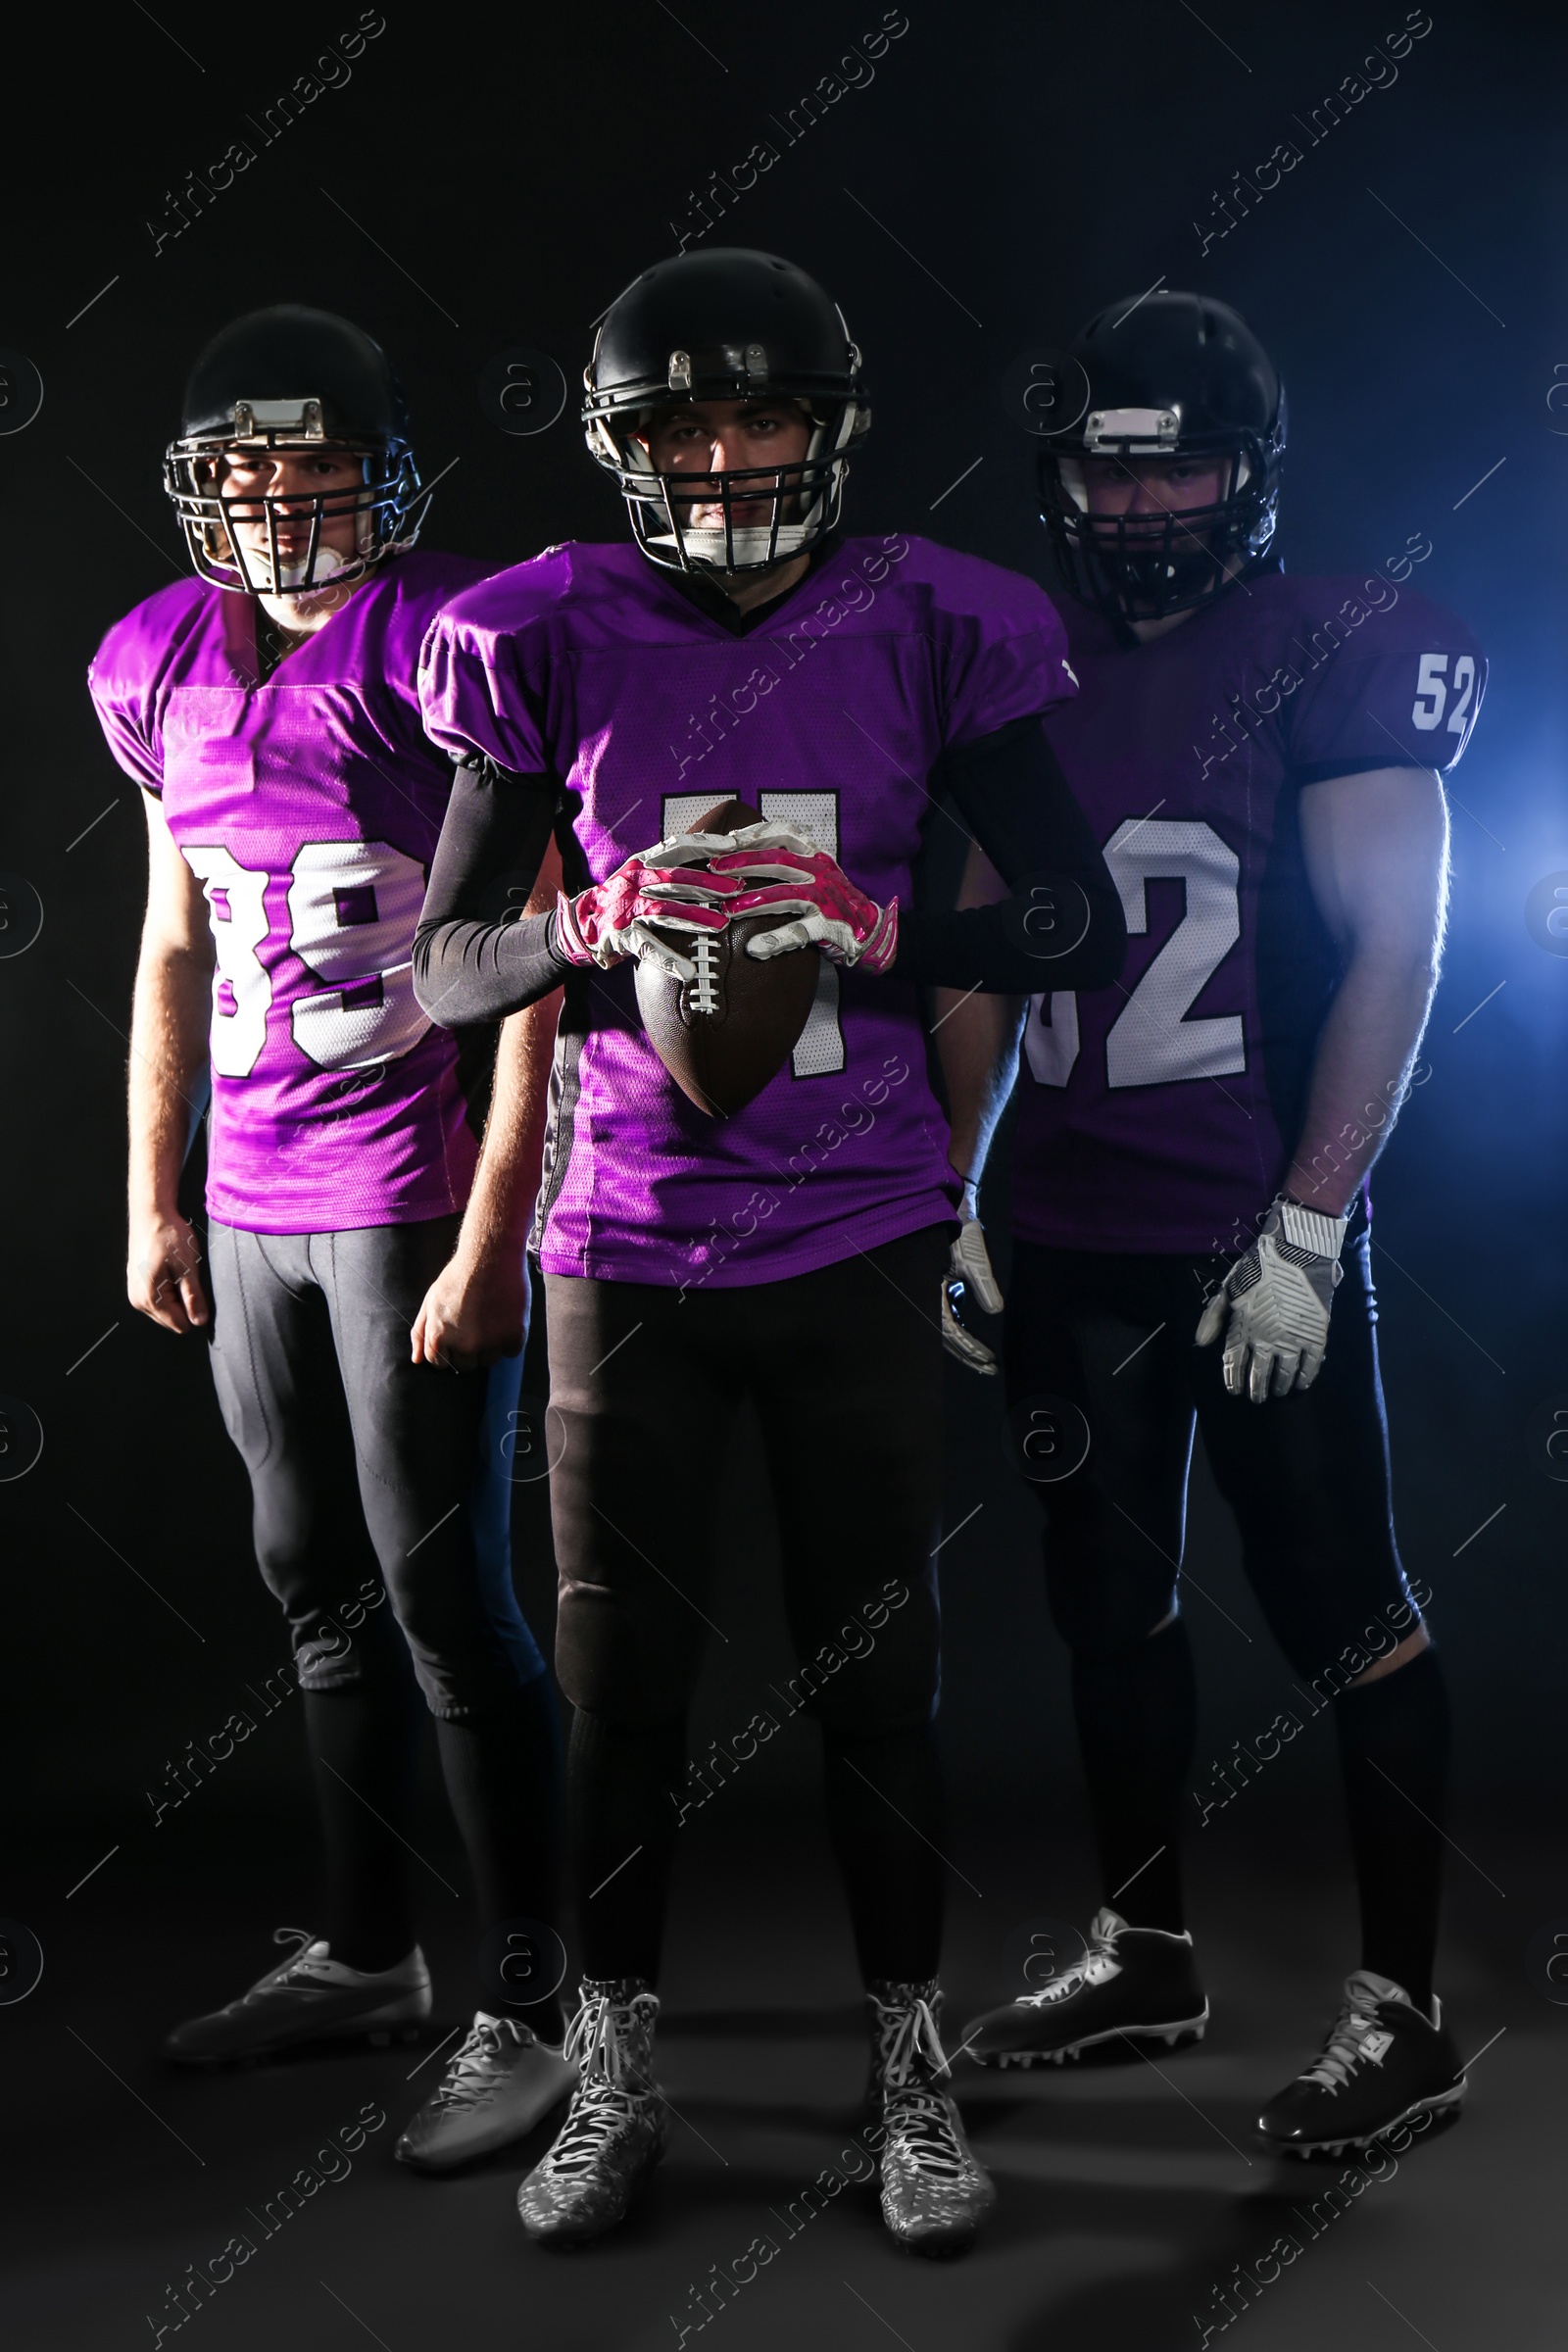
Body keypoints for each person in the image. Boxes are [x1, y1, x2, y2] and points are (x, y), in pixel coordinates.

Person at [411, 246, 1125, 2251]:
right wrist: (576, 922)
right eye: (674, 430)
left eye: (757, 420)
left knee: (873, 1675)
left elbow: (1082, 920)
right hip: (621, 1247)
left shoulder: (930, 620)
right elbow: (447, 974)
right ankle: (615, 2064)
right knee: (619, 1684)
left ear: (830, 424)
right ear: (617, 447)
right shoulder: (539, 630)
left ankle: (905, 2064)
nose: (720, 462)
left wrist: (910, 939)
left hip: (857, 1230)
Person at [947, 292, 1485, 2155]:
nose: (1149, 495)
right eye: (1114, 456)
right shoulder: (1016, 656)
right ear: (1061, 472)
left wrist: (1312, 1222)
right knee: (1108, 1605)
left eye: (1185, 457)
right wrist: (960, 1184)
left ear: (1254, 474)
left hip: (1244, 1228)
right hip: (1069, 1225)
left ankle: (1406, 2013)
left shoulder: (1338, 646)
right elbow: (984, 941)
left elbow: (1400, 949)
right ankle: (1144, 1948)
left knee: (1348, 1615)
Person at [88, 304, 570, 2174]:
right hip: (253, 1185)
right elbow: (173, 944)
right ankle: (374, 1954)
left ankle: (532, 2007)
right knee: (308, 1571)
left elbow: (531, 952)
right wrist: (150, 1191)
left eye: (314, 468)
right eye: (244, 472)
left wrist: (495, 1230)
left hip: (409, 1178)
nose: (279, 504)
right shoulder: (152, 661)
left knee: (449, 1596)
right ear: (200, 487)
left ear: (385, 475)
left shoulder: (449, 644)